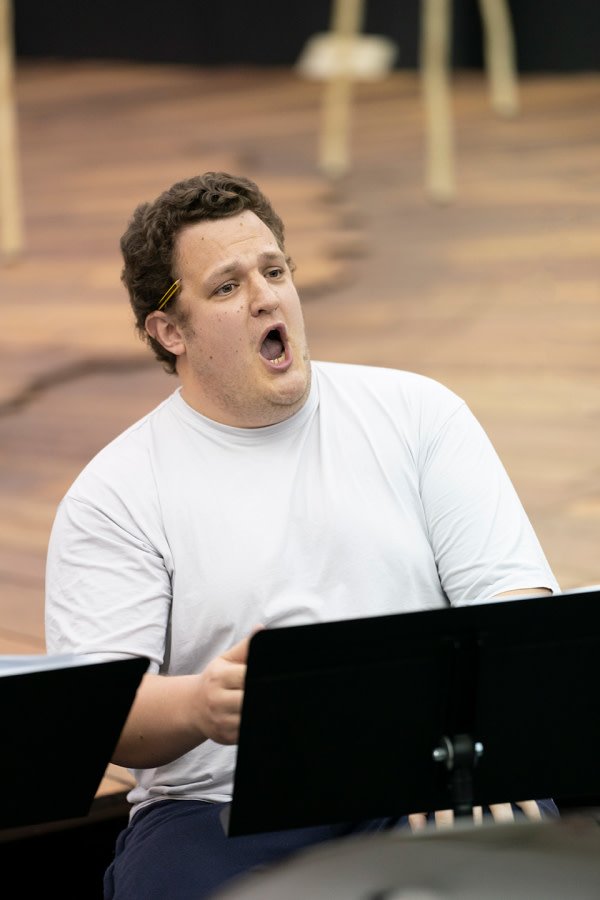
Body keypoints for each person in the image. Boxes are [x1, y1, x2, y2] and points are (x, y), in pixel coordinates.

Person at [45, 172, 561, 899]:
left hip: (429, 770)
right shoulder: (116, 494)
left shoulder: (418, 413)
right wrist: (199, 705)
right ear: (169, 331)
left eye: (275, 270)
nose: (266, 296)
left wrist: (468, 760)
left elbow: (516, 611)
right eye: (226, 287)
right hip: (217, 813)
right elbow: (105, 713)